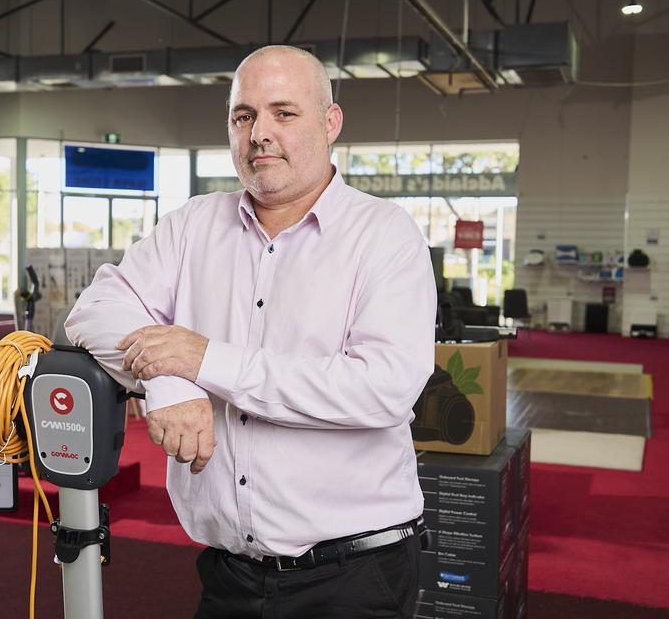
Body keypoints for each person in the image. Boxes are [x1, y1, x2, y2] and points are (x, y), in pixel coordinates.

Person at [65, 45, 435, 618]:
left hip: (354, 577)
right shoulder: (194, 224)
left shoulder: (384, 235)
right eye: (244, 116)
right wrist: (172, 384)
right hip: (230, 573)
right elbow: (96, 308)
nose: (260, 133)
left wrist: (206, 360)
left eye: (284, 113)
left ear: (331, 122)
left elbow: (382, 388)